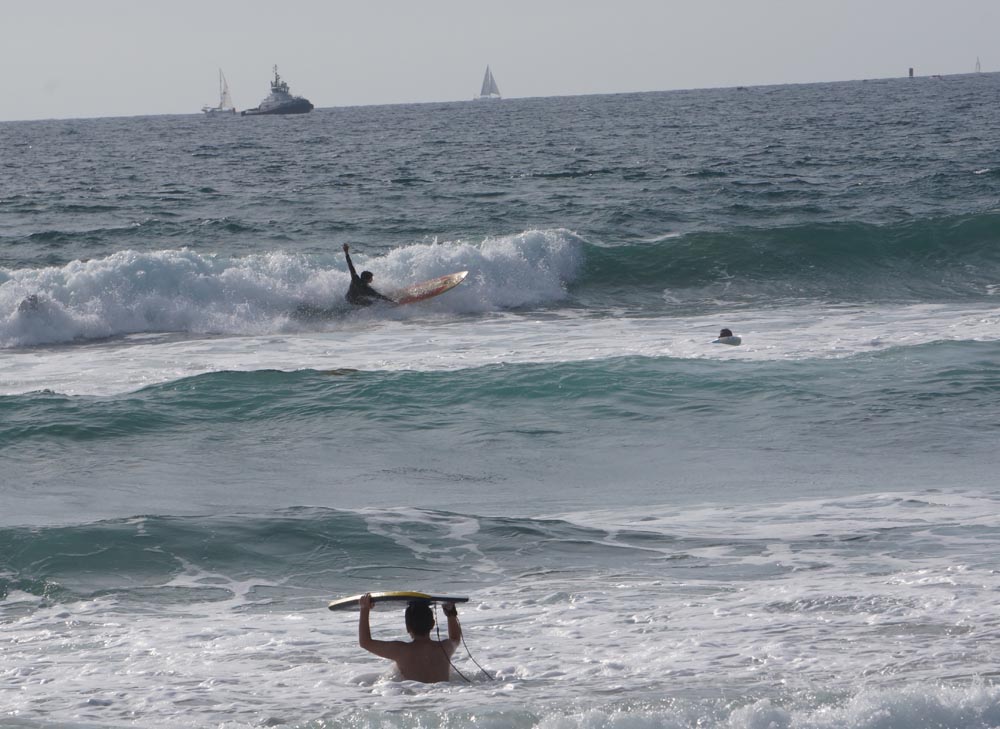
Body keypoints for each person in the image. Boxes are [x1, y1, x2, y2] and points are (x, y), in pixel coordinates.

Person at [358, 593, 462, 683]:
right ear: (433, 624)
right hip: (444, 695)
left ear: (408, 627)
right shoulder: (444, 649)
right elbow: (455, 638)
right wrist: (450, 613)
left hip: (415, 694)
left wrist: (364, 609)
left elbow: (365, 642)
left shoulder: (401, 651)